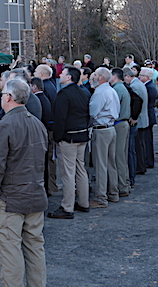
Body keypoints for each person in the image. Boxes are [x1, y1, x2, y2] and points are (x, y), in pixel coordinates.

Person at [0, 79, 48, 287]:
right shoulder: (37, 124)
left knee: (9, 247)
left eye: (2, 94)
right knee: (34, 246)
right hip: (34, 193)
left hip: (10, 198)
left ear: (9, 98)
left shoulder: (5, 125)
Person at [48, 67, 90, 219]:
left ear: (70, 77)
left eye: (63, 73)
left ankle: (67, 207)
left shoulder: (64, 94)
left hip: (69, 138)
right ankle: (84, 202)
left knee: (68, 173)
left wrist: (58, 138)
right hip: (82, 136)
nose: (60, 75)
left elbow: (60, 118)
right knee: (80, 169)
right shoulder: (83, 92)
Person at [88, 67, 120, 208]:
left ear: (100, 78)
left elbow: (92, 112)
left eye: (94, 74)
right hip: (111, 128)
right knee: (111, 163)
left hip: (101, 130)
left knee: (100, 164)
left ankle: (101, 197)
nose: (92, 77)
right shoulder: (111, 91)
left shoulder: (100, 92)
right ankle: (113, 193)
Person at [110, 68, 132, 198]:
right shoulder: (122, 87)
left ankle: (122, 185)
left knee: (119, 157)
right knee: (122, 156)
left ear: (114, 77)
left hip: (119, 124)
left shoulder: (117, 89)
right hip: (123, 123)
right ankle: (125, 183)